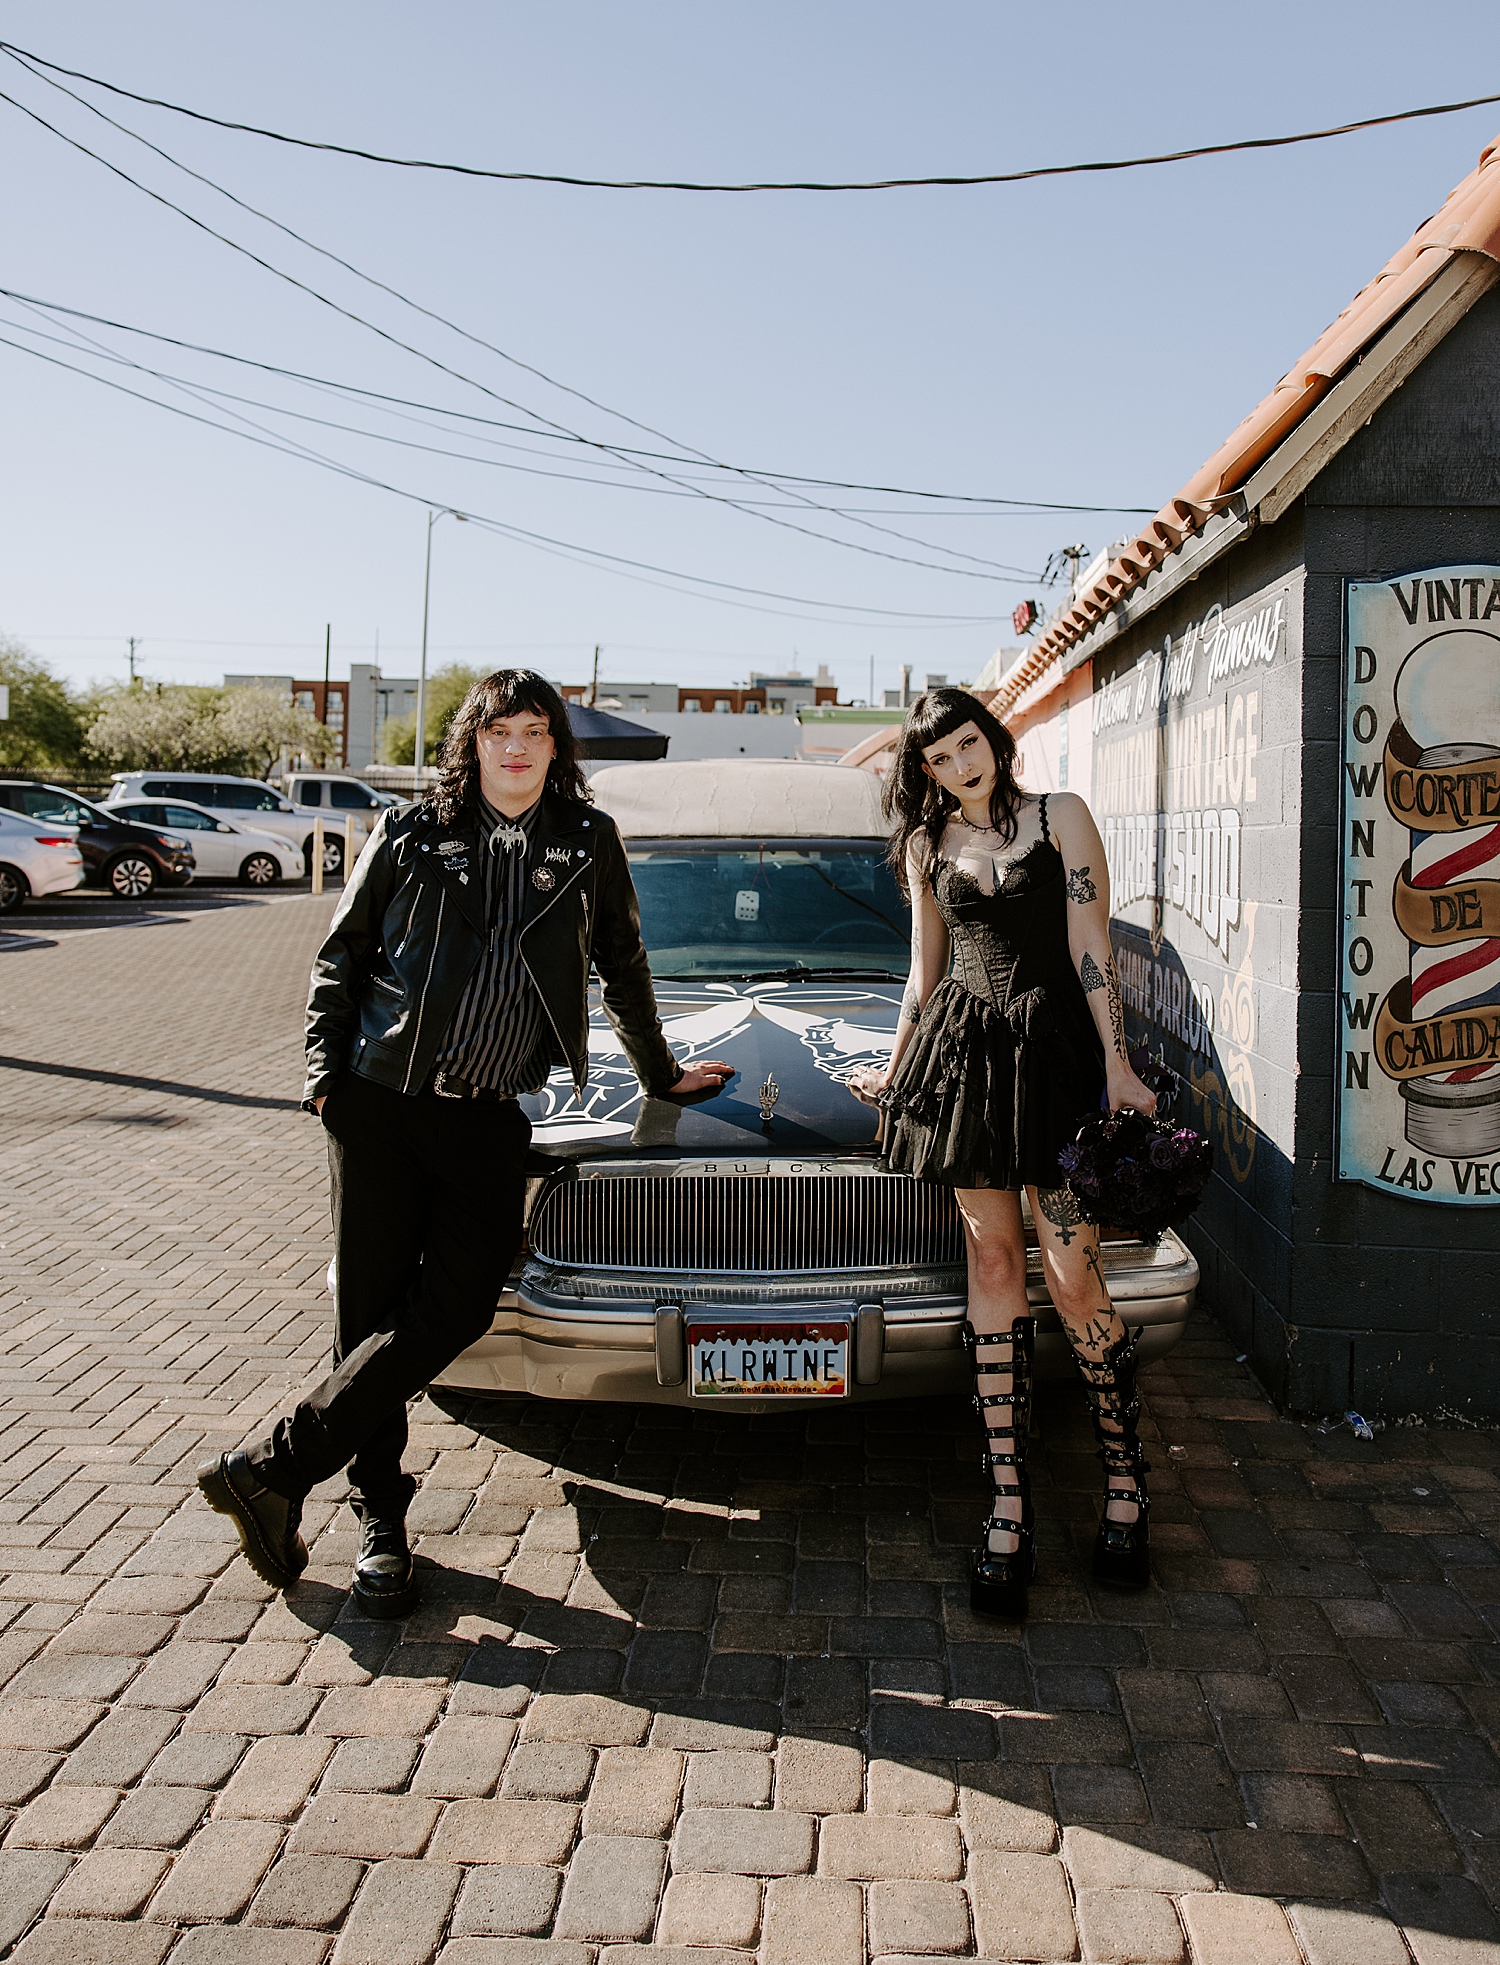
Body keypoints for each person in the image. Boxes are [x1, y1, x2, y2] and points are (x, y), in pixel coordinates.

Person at [199, 669, 733, 1613]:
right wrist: (324, 1078)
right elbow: (342, 954)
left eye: (535, 730)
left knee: (457, 1305)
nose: (516, 747)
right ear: (472, 742)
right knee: (369, 1313)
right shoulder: (411, 830)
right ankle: (381, 1521)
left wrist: (659, 1073)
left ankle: (273, 1468)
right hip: (381, 1101)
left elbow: (623, 962)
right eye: (499, 731)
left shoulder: (587, 840)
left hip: (488, 1113)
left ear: (556, 746)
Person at [850, 686, 1157, 1620]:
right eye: (939, 757)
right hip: (966, 1065)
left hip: (1056, 1062)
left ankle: (1125, 1480)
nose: (960, 764)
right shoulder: (925, 846)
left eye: (967, 743)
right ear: (926, 771)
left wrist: (1118, 1064)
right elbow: (925, 969)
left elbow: (1091, 945)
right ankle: (1009, 1503)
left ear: (993, 737)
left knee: (1071, 1274)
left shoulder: (1061, 817)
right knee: (990, 1261)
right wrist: (894, 1068)